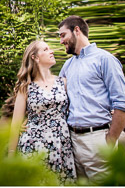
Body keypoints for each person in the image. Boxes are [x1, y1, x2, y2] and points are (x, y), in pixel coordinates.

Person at [57, 15, 125, 182]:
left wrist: (110, 141)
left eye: (63, 35)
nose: (61, 41)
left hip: (98, 140)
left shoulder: (105, 59)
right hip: (72, 143)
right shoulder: (67, 66)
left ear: (76, 30)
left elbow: (123, 103)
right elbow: (55, 99)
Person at [6, 40, 76, 184]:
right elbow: (15, 125)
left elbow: (77, 108)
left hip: (61, 146)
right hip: (33, 146)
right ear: (35, 57)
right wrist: (11, 156)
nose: (51, 51)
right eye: (46, 49)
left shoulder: (63, 82)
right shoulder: (25, 87)